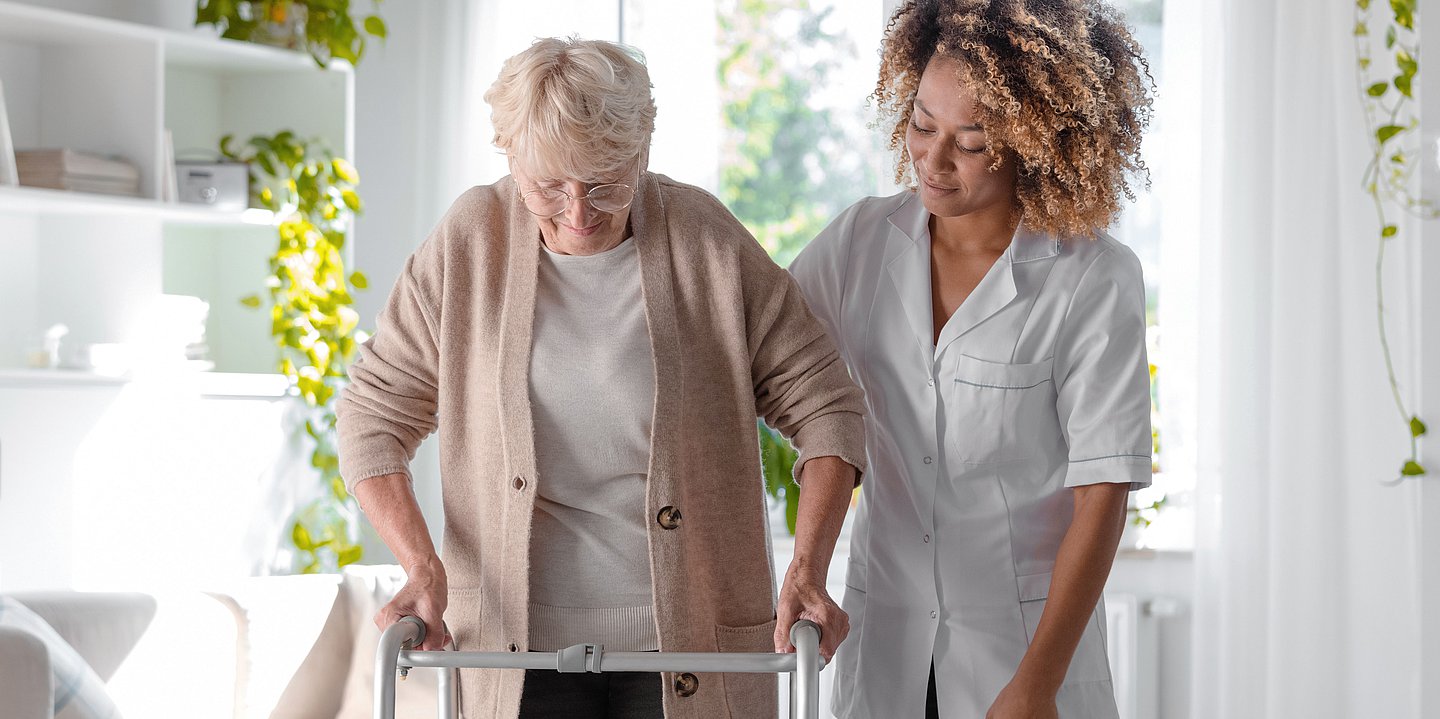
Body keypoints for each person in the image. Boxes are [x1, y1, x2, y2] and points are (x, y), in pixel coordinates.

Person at [336, 37, 866, 719]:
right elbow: (371, 418)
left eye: (607, 182)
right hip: (513, 655)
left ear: (642, 153)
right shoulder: (471, 240)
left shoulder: (704, 239)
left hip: (690, 653)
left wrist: (809, 570)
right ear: (510, 156)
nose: (579, 213)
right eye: (549, 186)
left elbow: (829, 408)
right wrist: (422, 566)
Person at [789, 1, 1155, 717]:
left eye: (972, 139)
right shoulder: (861, 241)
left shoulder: (1092, 277)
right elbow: (760, 347)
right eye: (923, 124)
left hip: (1018, 653)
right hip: (884, 649)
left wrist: (1036, 684)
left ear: (1037, 141)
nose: (933, 156)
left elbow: (1102, 494)